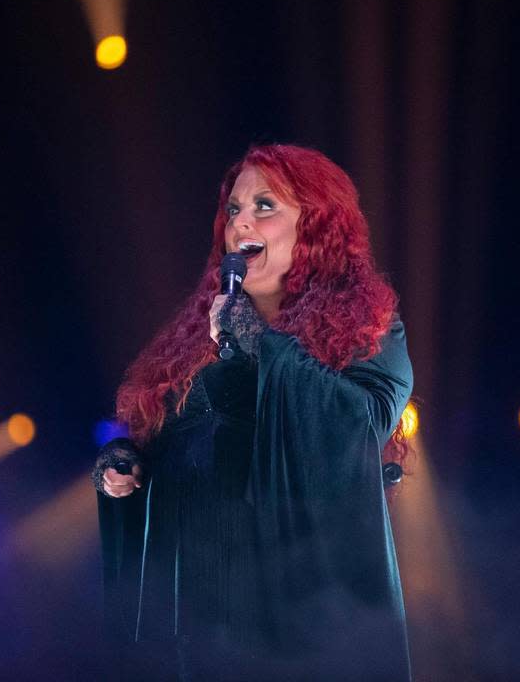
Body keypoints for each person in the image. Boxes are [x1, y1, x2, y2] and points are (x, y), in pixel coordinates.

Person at [92, 144, 413, 680]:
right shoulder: (198, 333)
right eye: (235, 209)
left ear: (317, 224)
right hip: (196, 606)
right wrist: (125, 462)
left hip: (295, 609)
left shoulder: (370, 325)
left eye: (265, 206)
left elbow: (357, 426)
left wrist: (254, 342)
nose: (242, 222)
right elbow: (163, 441)